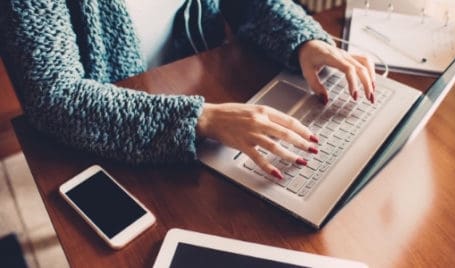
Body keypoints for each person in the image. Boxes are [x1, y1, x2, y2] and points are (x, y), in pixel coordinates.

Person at [0, 0, 375, 179]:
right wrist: (202, 118)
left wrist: (305, 41)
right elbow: (56, 97)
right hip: (113, 141)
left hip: (212, 105)